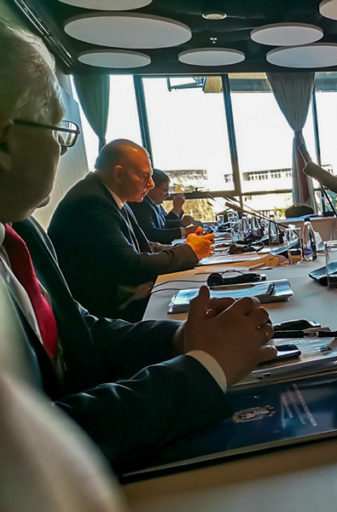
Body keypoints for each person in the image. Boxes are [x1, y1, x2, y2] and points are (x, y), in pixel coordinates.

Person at [0, 20, 277, 472]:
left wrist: (178, 337)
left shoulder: (20, 230)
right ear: (5, 139)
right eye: (57, 131)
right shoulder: (82, 204)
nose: (61, 148)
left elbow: (79, 332)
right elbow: (24, 449)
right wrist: (205, 368)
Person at [48, 139, 214, 321]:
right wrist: (189, 252)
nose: (151, 184)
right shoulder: (90, 203)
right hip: (107, 317)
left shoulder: (109, 196)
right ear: (118, 174)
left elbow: (143, 246)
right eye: (145, 176)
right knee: (203, 312)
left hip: (122, 300)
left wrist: (183, 248)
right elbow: (131, 267)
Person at [128, 168, 198, 244]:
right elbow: (152, 234)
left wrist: (181, 223)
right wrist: (184, 231)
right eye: (165, 190)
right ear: (151, 188)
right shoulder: (140, 205)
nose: (168, 195)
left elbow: (164, 225)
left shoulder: (154, 203)